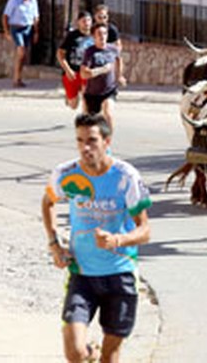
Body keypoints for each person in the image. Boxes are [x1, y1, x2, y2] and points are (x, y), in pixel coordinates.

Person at [42, 113, 151, 362]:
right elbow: (48, 202)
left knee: (111, 355)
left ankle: (99, 354)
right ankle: (89, 353)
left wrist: (118, 241)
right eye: (80, 141)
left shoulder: (126, 176)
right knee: (75, 352)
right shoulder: (66, 173)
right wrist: (53, 243)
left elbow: (145, 230)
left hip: (120, 275)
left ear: (106, 141)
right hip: (82, 275)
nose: (85, 148)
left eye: (91, 140)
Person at [80, 22, 126, 133]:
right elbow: (83, 73)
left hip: (109, 90)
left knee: (108, 113)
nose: (102, 37)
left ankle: (107, 143)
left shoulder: (113, 49)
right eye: (99, 34)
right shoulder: (90, 52)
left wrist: (119, 76)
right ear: (94, 37)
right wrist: (101, 70)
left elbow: (119, 59)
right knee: (88, 124)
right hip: (92, 94)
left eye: (105, 33)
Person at [2, 0, 40, 88]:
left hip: (27, 28)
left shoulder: (33, 1)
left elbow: (36, 18)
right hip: (16, 28)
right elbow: (5, 16)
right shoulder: (14, 1)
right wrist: (6, 31)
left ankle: (19, 77)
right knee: (21, 50)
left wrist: (36, 32)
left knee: (23, 55)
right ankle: (16, 77)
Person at [57, 11, 94, 109]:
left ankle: (86, 121)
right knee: (73, 105)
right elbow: (60, 54)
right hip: (72, 72)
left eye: (89, 20)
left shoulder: (95, 35)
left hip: (87, 72)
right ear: (78, 22)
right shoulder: (72, 36)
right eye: (84, 21)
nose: (86, 23)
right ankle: (69, 96)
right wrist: (68, 70)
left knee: (87, 99)